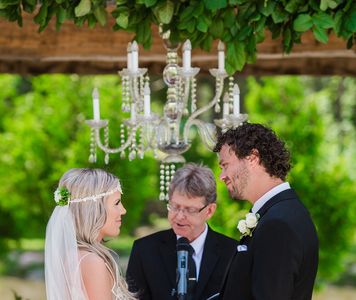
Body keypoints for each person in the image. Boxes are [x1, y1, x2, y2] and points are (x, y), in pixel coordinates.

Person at [214, 123, 319, 300]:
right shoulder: (281, 213)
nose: (222, 176)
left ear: (253, 157)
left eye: (225, 165)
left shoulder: (278, 225)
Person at [126, 163, 238, 300]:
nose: (179, 216)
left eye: (189, 210)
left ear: (209, 211)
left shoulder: (233, 253)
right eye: (174, 206)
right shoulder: (144, 250)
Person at [45, 168, 136, 300]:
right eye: (116, 203)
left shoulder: (75, 256)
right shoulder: (92, 262)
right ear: (93, 209)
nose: (123, 210)